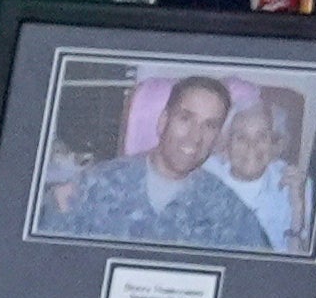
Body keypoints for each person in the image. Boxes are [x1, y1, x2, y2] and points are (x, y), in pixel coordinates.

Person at [50, 76, 274, 250]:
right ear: (163, 122)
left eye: (209, 126)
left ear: (217, 139)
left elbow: (262, 280)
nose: (195, 137)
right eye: (186, 119)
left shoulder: (228, 211)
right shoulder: (96, 185)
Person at [216, 79, 311, 256]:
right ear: (226, 146)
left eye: (262, 136)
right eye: (241, 137)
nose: (252, 146)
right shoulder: (205, 177)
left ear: (274, 145)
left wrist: (297, 211)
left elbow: (304, 268)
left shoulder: (297, 185)